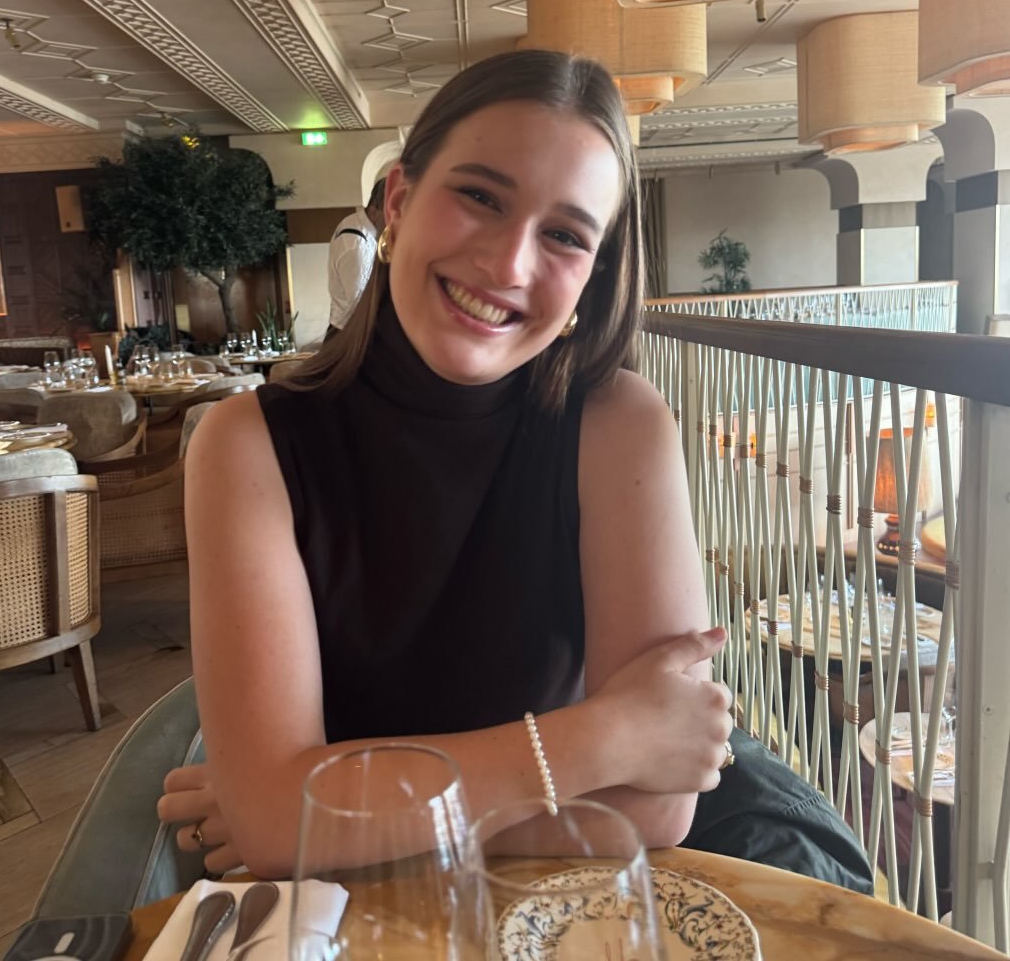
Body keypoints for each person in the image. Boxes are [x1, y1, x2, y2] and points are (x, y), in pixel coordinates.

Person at [156, 50, 870, 893]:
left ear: (591, 275)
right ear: (397, 202)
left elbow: (654, 810)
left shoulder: (619, 425)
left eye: (564, 235)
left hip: (565, 910)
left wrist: (333, 815)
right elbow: (280, 825)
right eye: (480, 197)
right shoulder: (246, 444)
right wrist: (605, 739)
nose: (508, 265)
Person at [325, 178, 385, 339]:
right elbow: (360, 305)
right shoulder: (357, 246)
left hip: (346, 329)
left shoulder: (354, 221)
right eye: (390, 214)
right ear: (374, 212)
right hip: (349, 335)